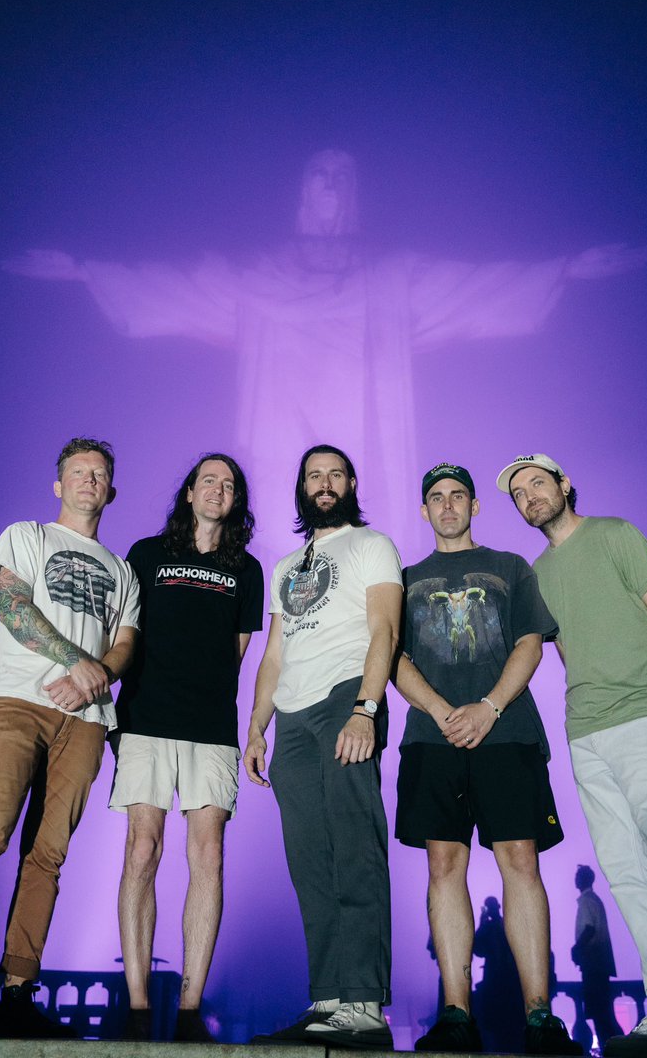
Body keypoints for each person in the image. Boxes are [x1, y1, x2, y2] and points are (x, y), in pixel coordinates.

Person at [7, 150, 646, 553]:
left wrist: (565, 269)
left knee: (363, 537)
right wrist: (87, 270)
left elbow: (475, 287)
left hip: (366, 439)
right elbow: (177, 287)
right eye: (321, 178)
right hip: (284, 432)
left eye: (345, 179)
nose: (333, 189)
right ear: (302, 196)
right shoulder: (258, 279)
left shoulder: (390, 278)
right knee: (290, 530)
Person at [0, 438, 140, 1039]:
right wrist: (75, 662)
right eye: (78, 472)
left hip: (87, 722)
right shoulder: (26, 536)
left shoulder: (121, 570)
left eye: (100, 473)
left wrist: (101, 674)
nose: (90, 480)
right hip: (18, 702)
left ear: (111, 490)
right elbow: (13, 606)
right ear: (58, 486)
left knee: (48, 857)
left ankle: (17, 994)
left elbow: (125, 642)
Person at [498, 453, 647, 1058]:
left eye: (539, 482)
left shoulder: (615, 533)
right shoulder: (536, 573)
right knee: (623, 869)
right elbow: (564, 651)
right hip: (586, 731)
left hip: (646, 715)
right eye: (518, 492)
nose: (530, 495)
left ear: (564, 485)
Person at [393, 462, 580, 1055]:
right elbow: (393, 657)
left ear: (475, 506)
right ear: (424, 511)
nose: (447, 506)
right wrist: (445, 711)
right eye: (436, 498)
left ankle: (539, 1015)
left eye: (457, 496)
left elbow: (530, 641)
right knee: (444, 866)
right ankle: (456, 1015)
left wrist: (488, 707)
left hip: (507, 734)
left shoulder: (510, 568)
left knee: (520, 862)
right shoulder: (405, 578)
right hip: (432, 738)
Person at [244, 444, 402, 1049]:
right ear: (302, 487)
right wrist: (257, 727)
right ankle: (328, 999)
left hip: (344, 698)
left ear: (351, 483)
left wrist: (366, 707)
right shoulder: (287, 565)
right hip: (292, 717)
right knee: (309, 858)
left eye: (335, 474)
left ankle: (364, 1004)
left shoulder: (371, 544)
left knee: (354, 846)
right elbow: (274, 654)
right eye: (314, 475)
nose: (325, 483)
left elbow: (384, 628)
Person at [109, 453, 263, 1042]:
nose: (218, 490)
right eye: (209, 481)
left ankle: (193, 1009)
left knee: (208, 858)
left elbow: (238, 651)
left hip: (211, 731)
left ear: (236, 500)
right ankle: (140, 1007)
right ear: (190, 492)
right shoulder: (147, 555)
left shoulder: (246, 570)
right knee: (142, 852)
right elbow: (123, 632)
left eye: (229, 484)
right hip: (145, 720)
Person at [571, 865, 623, 1050]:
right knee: (602, 1013)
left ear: (584, 879)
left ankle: (609, 1049)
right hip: (599, 963)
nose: (575, 879)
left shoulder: (586, 901)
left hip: (592, 964)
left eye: (578, 876)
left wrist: (576, 949)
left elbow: (589, 928)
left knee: (599, 1014)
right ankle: (610, 1048)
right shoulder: (594, 900)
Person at [473, 895, 526, 1053]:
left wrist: (481, 923)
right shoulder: (503, 925)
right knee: (505, 1027)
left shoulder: (493, 927)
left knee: (500, 1027)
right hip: (506, 981)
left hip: (499, 981)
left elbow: (477, 949)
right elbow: (478, 949)